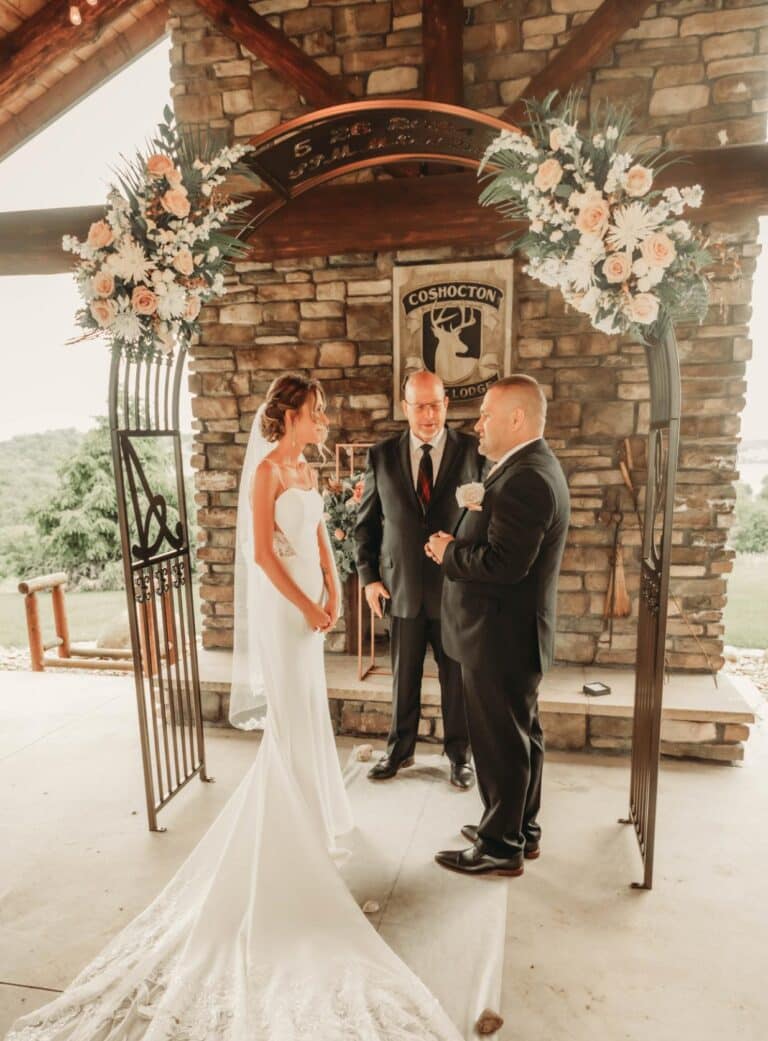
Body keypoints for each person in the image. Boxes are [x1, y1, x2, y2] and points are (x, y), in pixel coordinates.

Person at [6, 374, 462, 1041]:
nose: (324, 419)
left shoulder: (305, 468)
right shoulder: (267, 473)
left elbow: (322, 541)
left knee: (313, 712)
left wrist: (333, 587)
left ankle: (314, 810)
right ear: (290, 416)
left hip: (314, 602)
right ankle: (288, 829)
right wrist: (306, 604)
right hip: (285, 612)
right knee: (290, 717)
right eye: (316, 412)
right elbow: (260, 555)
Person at [426, 375, 571, 878]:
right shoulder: (527, 466)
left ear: (517, 418)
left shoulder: (528, 476)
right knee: (521, 735)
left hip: (499, 636)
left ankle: (499, 847)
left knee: (499, 742)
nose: (478, 423)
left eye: (487, 414)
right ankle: (518, 828)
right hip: (510, 633)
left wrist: (450, 552)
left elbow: (505, 564)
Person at [355, 369, 482, 788]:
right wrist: (369, 577)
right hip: (401, 588)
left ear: (447, 403)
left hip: (456, 589)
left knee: (457, 680)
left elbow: (486, 520)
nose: (428, 415)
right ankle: (399, 750)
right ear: (405, 407)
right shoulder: (381, 455)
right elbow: (366, 524)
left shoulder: (473, 451)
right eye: (419, 406)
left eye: (436, 404)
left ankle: (460, 756)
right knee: (403, 676)